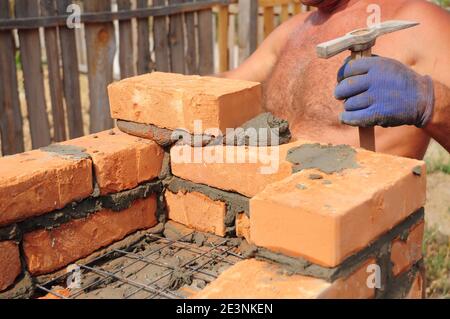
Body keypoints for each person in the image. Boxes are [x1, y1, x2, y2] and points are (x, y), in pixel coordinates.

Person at [221, 0, 450, 159]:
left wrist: (430, 102)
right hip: (271, 213)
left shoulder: (424, 22)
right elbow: (223, 85)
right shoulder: (292, 31)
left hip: (364, 221)